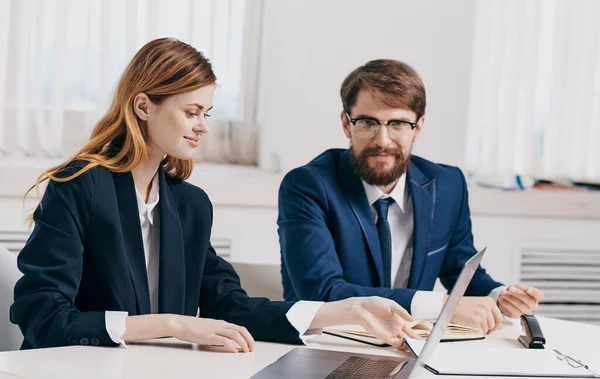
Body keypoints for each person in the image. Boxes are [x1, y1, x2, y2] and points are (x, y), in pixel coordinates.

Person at [10, 39, 417, 351]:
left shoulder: (189, 205)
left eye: (207, 112)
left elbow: (232, 307)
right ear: (143, 106)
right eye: (191, 112)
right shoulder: (78, 186)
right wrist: (171, 324)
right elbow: (42, 317)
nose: (203, 126)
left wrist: (345, 311)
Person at [278, 59, 544, 334]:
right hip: (330, 343)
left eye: (398, 124)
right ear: (347, 124)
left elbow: (460, 270)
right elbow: (322, 291)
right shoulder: (307, 186)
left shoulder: (447, 185)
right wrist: (443, 306)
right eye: (368, 122)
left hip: (413, 343)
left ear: (418, 127)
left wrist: (498, 295)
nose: (382, 140)